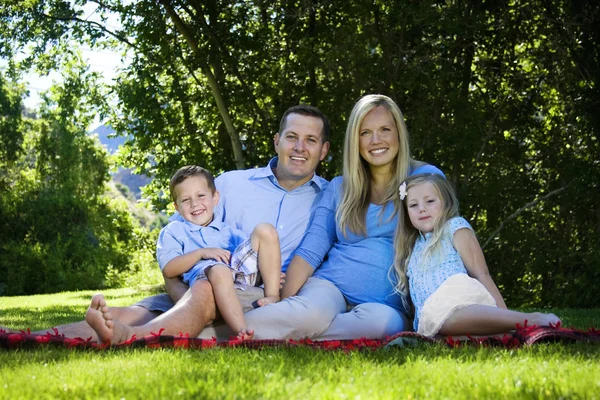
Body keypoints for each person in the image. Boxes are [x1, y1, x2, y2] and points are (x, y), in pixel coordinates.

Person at [2, 104, 330, 342]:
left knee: (182, 298)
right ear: (277, 141)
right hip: (199, 282)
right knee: (142, 309)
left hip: (251, 293)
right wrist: (177, 289)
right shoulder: (229, 184)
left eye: (310, 140)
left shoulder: (331, 200)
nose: (299, 147)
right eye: (291, 137)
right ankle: (26, 337)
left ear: (324, 150)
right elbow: (177, 237)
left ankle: (129, 337)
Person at [202, 94, 444, 340]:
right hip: (329, 287)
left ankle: (275, 331)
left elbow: (447, 239)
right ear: (355, 140)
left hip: (386, 303)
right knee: (310, 314)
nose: (376, 140)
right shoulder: (340, 187)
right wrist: (281, 300)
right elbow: (311, 250)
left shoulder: (424, 178)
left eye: (385, 130)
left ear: (399, 135)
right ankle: (211, 334)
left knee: (385, 326)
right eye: (365, 132)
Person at [392, 173, 561, 337]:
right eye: (413, 205)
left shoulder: (453, 227)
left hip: (458, 301)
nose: (422, 209)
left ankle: (528, 320)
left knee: (445, 319)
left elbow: (481, 273)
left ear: (445, 203)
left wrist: (505, 314)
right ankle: (502, 334)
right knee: (444, 335)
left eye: (430, 201)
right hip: (431, 319)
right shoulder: (413, 247)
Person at [156, 165, 281, 340]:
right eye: (186, 200)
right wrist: (201, 253)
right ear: (177, 207)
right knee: (219, 269)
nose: (195, 204)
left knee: (265, 230)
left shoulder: (228, 231)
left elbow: (249, 254)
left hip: (237, 273)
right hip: (208, 276)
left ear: (215, 198)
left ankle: (273, 296)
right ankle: (241, 331)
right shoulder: (174, 231)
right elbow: (169, 269)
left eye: (201, 196)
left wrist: (270, 269)